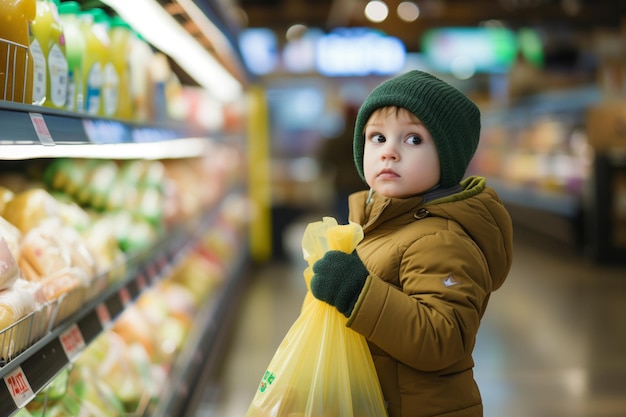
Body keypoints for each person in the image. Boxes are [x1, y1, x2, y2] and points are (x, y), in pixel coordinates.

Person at [309, 70, 514, 417]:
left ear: (447, 159)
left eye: (413, 140)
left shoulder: (440, 240)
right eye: (377, 138)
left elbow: (443, 339)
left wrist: (357, 293)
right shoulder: (382, 223)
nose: (389, 152)